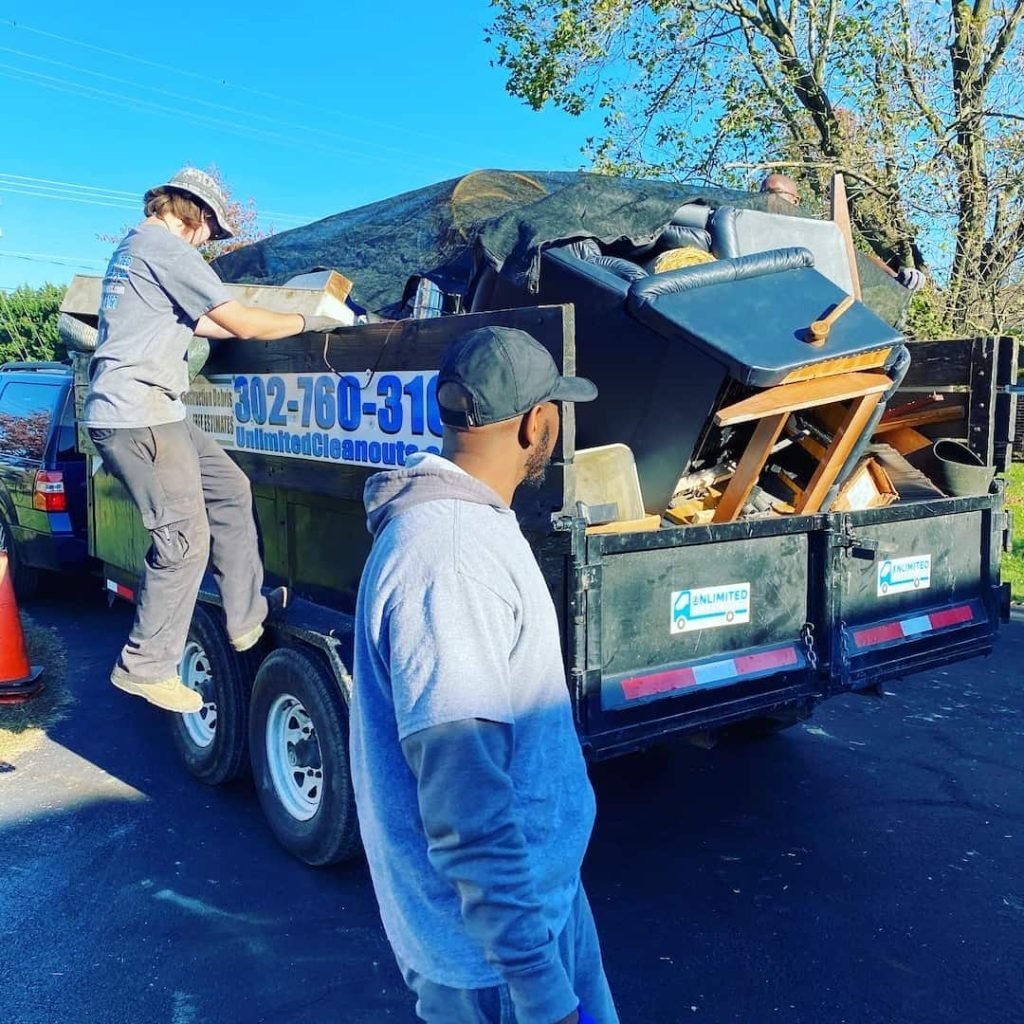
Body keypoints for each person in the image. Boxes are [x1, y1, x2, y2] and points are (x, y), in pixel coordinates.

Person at [351, 325, 618, 1024]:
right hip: (498, 966)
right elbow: (464, 803)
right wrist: (540, 990)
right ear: (539, 423)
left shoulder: (465, 527)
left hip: (535, 910)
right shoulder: (451, 557)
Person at [84, 167, 345, 714]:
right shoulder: (166, 248)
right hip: (140, 415)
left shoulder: (134, 250)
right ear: (196, 215)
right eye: (213, 230)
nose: (211, 240)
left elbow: (206, 324)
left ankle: (245, 617)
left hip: (154, 410)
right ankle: (146, 667)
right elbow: (243, 322)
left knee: (228, 487)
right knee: (184, 541)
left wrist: (260, 321)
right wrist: (308, 319)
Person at [759, 171, 925, 291]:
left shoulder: (812, 233)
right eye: (763, 193)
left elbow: (852, 258)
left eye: (774, 192)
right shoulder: (750, 230)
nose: (766, 197)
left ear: (794, 200)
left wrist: (897, 277)